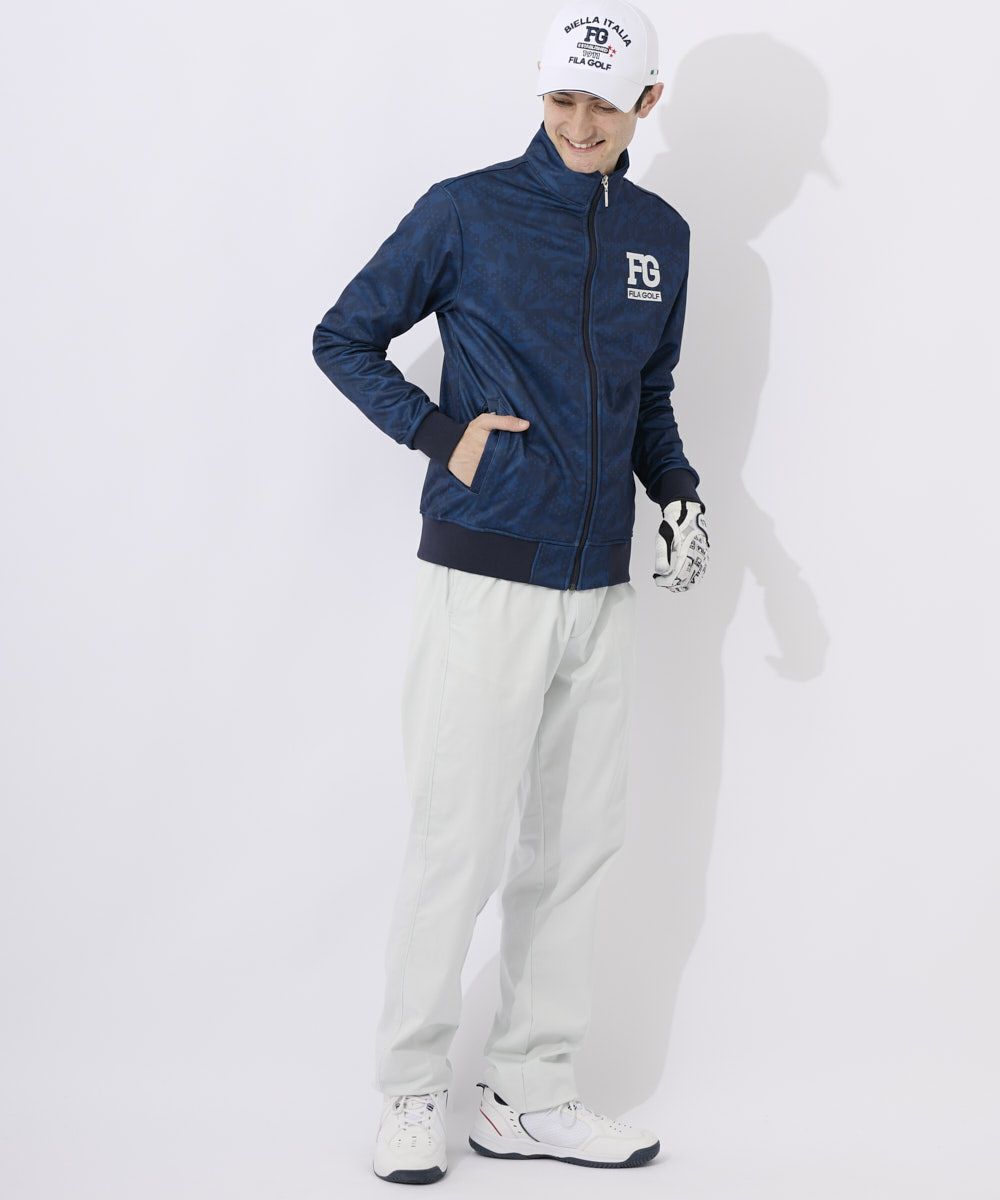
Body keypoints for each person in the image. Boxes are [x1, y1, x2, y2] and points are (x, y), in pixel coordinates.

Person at [312, 0, 710, 1183]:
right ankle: (410, 1088)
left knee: (575, 848)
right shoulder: (466, 210)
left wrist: (677, 491)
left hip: (600, 586)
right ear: (540, 94)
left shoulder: (662, 236)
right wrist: (442, 434)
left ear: (647, 103)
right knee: (459, 841)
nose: (580, 123)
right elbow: (343, 336)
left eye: (604, 103)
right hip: (484, 575)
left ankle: (527, 1093)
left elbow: (646, 396)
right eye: (560, 99)